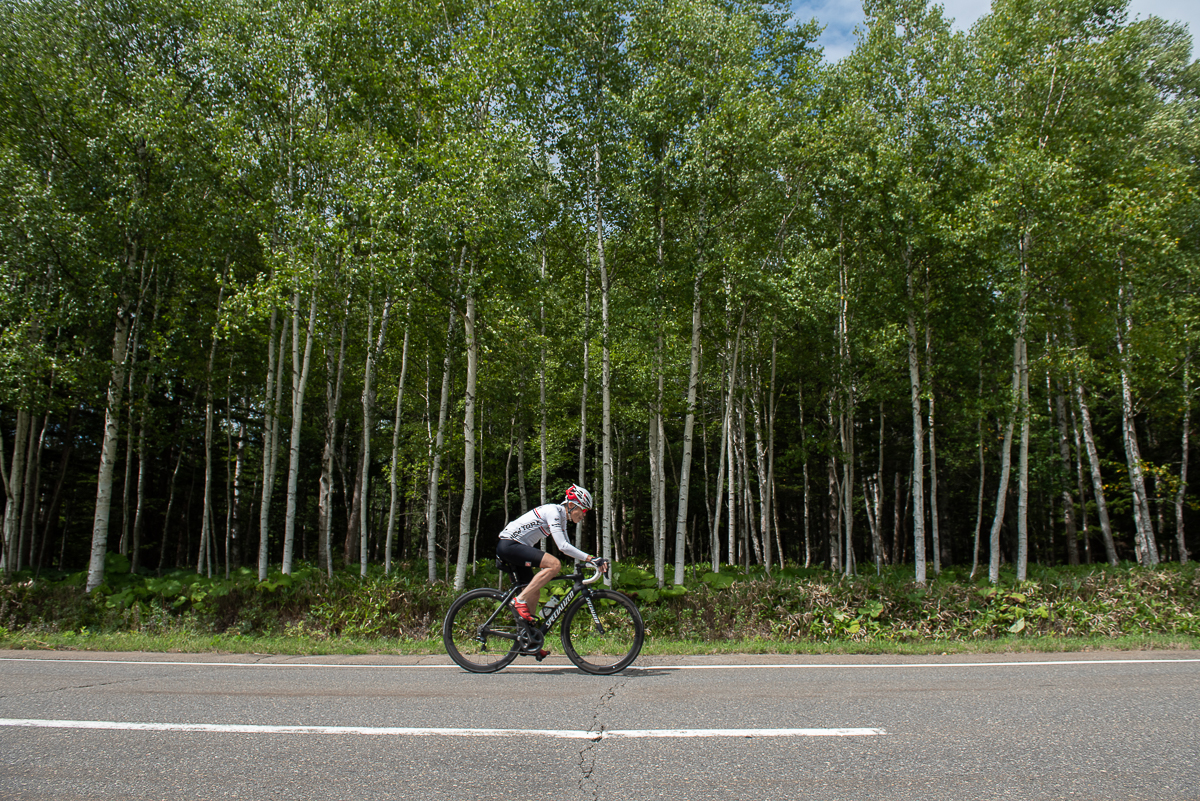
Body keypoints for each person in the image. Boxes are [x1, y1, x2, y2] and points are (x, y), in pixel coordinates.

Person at [496, 484, 608, 631]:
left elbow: (567, 547)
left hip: (516, 547)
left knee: (534, 592)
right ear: (572, 505)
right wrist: (591, 558)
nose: (584, 514)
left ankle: (528, 637)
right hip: (509, 545)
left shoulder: (561, 517)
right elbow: (562, 546)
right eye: (584, 509)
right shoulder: (553, 512)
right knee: (554, 565)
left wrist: (591, 558)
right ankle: (519, 600)